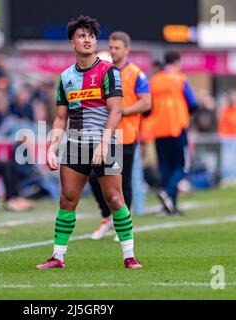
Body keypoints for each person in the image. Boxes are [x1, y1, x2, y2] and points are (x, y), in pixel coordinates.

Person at [36, 15, 142, 269]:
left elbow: (116, 111)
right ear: (72, 42)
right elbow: (61, 117)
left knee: (115, 199)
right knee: (67, 199)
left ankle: (129, 255)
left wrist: (105, 142)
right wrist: (52, 146)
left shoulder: (109, 71)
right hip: (76, 142)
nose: (87, 40)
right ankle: (58, 257)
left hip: (106, 140)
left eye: (91, 36)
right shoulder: (65, 78)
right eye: (82, 36)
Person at [89, 31, 151, 240]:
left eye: (117, 48)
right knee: (93, 176)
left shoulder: (135, 73)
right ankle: (107, 216)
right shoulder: (104, 71)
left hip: (125, 135)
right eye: (112, 47)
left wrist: (124, 110)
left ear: (126, 50)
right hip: (102, 133)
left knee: (122, 182)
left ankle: (123, 225)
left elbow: (146, 102)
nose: (113, 51)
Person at [148, 51, 198, 215]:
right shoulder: (179, 78)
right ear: (178, 61)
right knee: (182, 166)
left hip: (159, 130)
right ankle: (168, 193)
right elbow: (192, 103)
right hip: (177, 128)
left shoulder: (154, 80)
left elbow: (148, 107)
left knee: (166, 168)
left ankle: (170, 206)